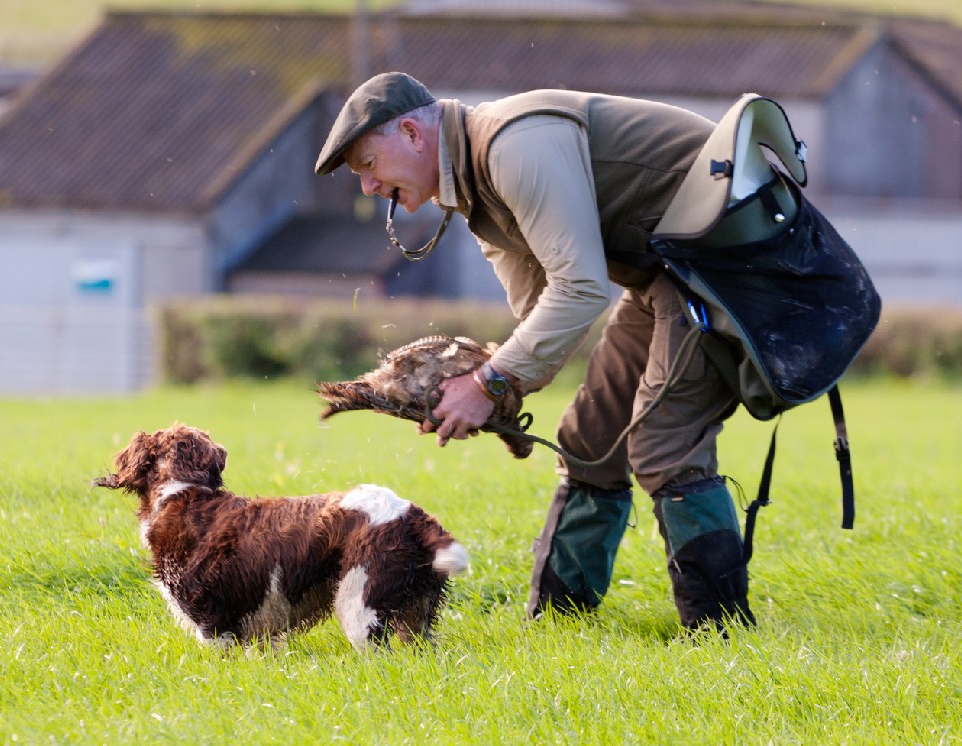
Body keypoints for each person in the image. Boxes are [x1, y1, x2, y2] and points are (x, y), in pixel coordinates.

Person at [314, 71, 756, 633]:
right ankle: (559, 624)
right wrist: (482, 394)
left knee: (662, 444)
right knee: (590, 441)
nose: (368, 189)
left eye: (368, 166)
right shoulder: (476, 195)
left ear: (411, 133)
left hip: (731, 262)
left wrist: (487, 385)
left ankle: (723, 636)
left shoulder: (513, 146)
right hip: (668, 275)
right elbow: (542, 322)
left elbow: (580, 289)